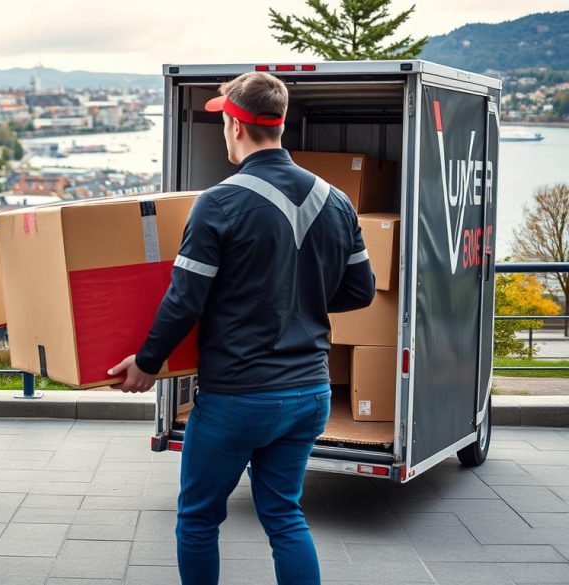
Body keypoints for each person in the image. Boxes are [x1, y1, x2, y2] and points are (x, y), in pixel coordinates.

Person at [108, 72, 376, 585]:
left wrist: (146, 363)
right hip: (308, 392)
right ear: (278, 122)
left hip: (239, 396)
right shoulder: (337, 200)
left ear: (235, 125)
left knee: (199, 519)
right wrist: (305, 300)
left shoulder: (219, 202)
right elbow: (360, 291)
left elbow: (185, 300)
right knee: (284, 516)